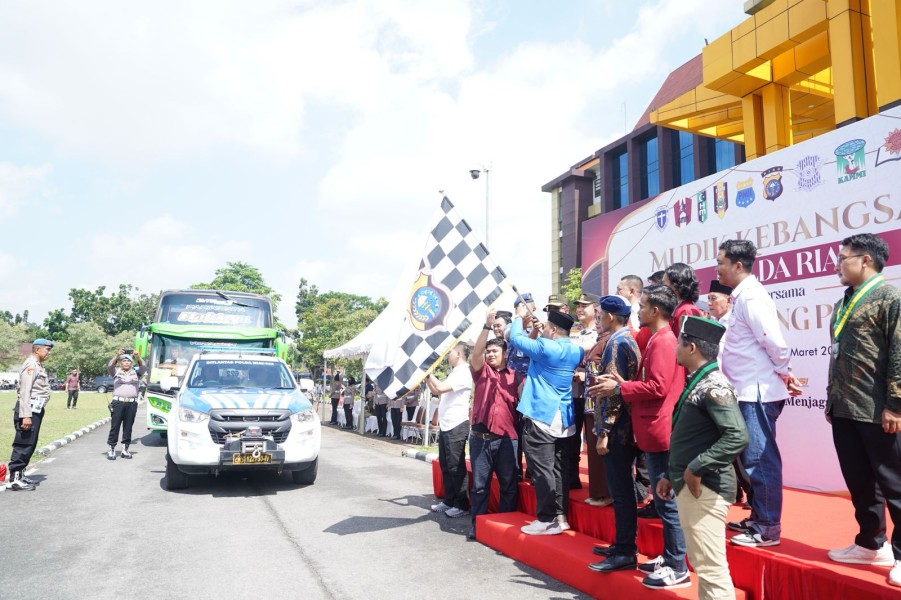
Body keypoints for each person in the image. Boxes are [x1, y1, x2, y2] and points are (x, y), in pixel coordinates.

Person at [590, 285, 689, 589]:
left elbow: (658, 387)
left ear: (655, 310)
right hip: (648, 427)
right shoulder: (656, 340)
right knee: (661, 500)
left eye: (643, 305)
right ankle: (669, 557)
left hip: (657, 429)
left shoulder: (661, 342)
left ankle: (677, 565)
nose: (638, 310)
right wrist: (624, 384)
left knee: (666, 502)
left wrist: (620, 388)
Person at [825, 233, 901, 586]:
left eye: (843, 258)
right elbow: (838, 352)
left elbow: (900, 354)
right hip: (845, 407)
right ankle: (871, 542)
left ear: (865, 260)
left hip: (878, 410)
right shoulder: (845, 301)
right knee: (859, 481)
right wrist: (831, 398)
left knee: (894, 484)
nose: (838, 264)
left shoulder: (891, 297)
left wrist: (896, 406)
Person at [717, 239, 802, 548]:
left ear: (738, 266)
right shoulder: (741, 297)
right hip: (745, 390)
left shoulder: (751, 297)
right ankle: (758, 519)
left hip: (757, 391)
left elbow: (774, 342)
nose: (717, 268)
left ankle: (767, 528)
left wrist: (785, 371)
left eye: (721, 262)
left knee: (760, 460)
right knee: (750, 459)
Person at [659, 316, 749, 600]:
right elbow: (695, 437)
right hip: (694, 485)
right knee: (703, 564)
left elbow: (737, 436)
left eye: (680, 343)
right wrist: (671, 475)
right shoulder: (701, 381)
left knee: (710, 567)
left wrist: (695, 468)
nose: (676, 348)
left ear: (692, 347)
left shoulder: (714, 385)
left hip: (706, 487)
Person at [510, 301, 584, 535]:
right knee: (558, 469)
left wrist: (518, 317)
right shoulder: (576, 349)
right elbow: (551, 343)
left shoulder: (545, 347)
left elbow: (516, 339)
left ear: (551, 330)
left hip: (542, 413)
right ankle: (560, 517)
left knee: (541, 469)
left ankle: (546, 518)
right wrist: (545, 331)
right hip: (564, 416)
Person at [584, 296, 641, 573]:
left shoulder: (617, 343)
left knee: (621, 492)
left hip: (618, 430)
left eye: (600, 314)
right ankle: (622, 545)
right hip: (623, 427)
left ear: (611, 317)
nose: (598, 318)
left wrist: (604, 431)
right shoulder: (624, 339)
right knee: (621, 491)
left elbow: (613, 391)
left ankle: (626, 550)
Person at [468, 309, 522, 540]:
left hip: (507, 440)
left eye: (494, 351)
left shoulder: (517, 376)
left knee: (509, 486)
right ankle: (478, 527)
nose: (489, 355)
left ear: (506, 354)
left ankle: (505, 528)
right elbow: (475, 354)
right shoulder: (481, 373)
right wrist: (486, 326)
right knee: (480, 487)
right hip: (481, 440)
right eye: (488, 351)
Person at [427, 344, 473, 519]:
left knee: (456, 466)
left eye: (450, 352)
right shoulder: (454, 372)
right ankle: (449, 500)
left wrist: (428, 372)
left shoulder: (464, 372)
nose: (448, 355)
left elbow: (440, 388)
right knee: (446, 465)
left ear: (459, 353)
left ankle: (461, 504)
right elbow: (436, 390)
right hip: (446, 424)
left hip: (457, 424)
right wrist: (426, 378)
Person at [6, 339, 54, 491]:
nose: (49, 352)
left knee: (30, 443)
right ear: (37, 349)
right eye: (47, 349)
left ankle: (20, 475)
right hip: (28, 410)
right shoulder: (31, 365)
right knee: (24, 443)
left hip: (35, 409)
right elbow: (25, 391)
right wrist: (25, 415)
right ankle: (14, 480)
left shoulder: (38, 365)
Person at [571, 293, 600, 492]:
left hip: (592, 393)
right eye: (578, 306)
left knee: (593, 439)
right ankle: (571, 477)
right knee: (571, 438)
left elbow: (593, 358)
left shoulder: (600, 332)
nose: (580, 309)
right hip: (573, 392)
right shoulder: (573, 332)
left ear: (595, 308)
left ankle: (597, 484)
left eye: (584, 305)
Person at [106, 349, 147, 460]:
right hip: (118, 403)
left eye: (128, 361)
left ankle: (125, 449)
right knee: (115, 426)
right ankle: (112, 449)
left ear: (131, 363)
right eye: (124, 361)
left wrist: (138, 357)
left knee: (128, 427)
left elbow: (144, 367)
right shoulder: (116, 372)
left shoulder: (136, 372)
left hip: (131, 403)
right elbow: (110, 366)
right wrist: (117, 355)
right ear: (121, 363)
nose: (126, 363)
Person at [663, 262, 703, 337]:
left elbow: (687, 344)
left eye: (664, 284)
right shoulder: (680, 307)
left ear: (675, 285)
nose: (662, 288)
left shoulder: (687, 310)